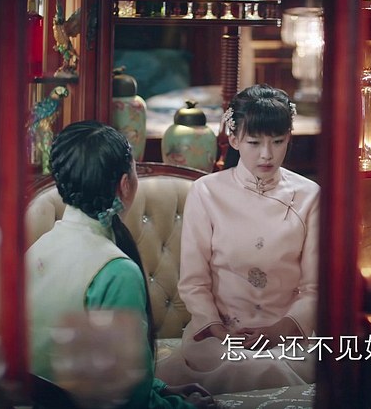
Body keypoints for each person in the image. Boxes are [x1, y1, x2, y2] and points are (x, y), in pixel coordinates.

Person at [26, 121, 215, 409]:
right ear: (125, 185)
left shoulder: (38, 248)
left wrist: (161, 388)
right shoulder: (116, 271)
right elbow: (129, 402)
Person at [157, 84, 319, 393]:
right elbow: (194, 282)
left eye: (278, 141)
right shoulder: (206, 192)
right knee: (238, 365)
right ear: (234, 139)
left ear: (289, 138)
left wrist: (279, 330)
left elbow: (315, 288)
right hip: (219, 338)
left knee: (274, 365)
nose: (266, 154)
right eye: (254, 142)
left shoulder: (310, 196)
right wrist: (219, 330)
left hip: (288, 337)